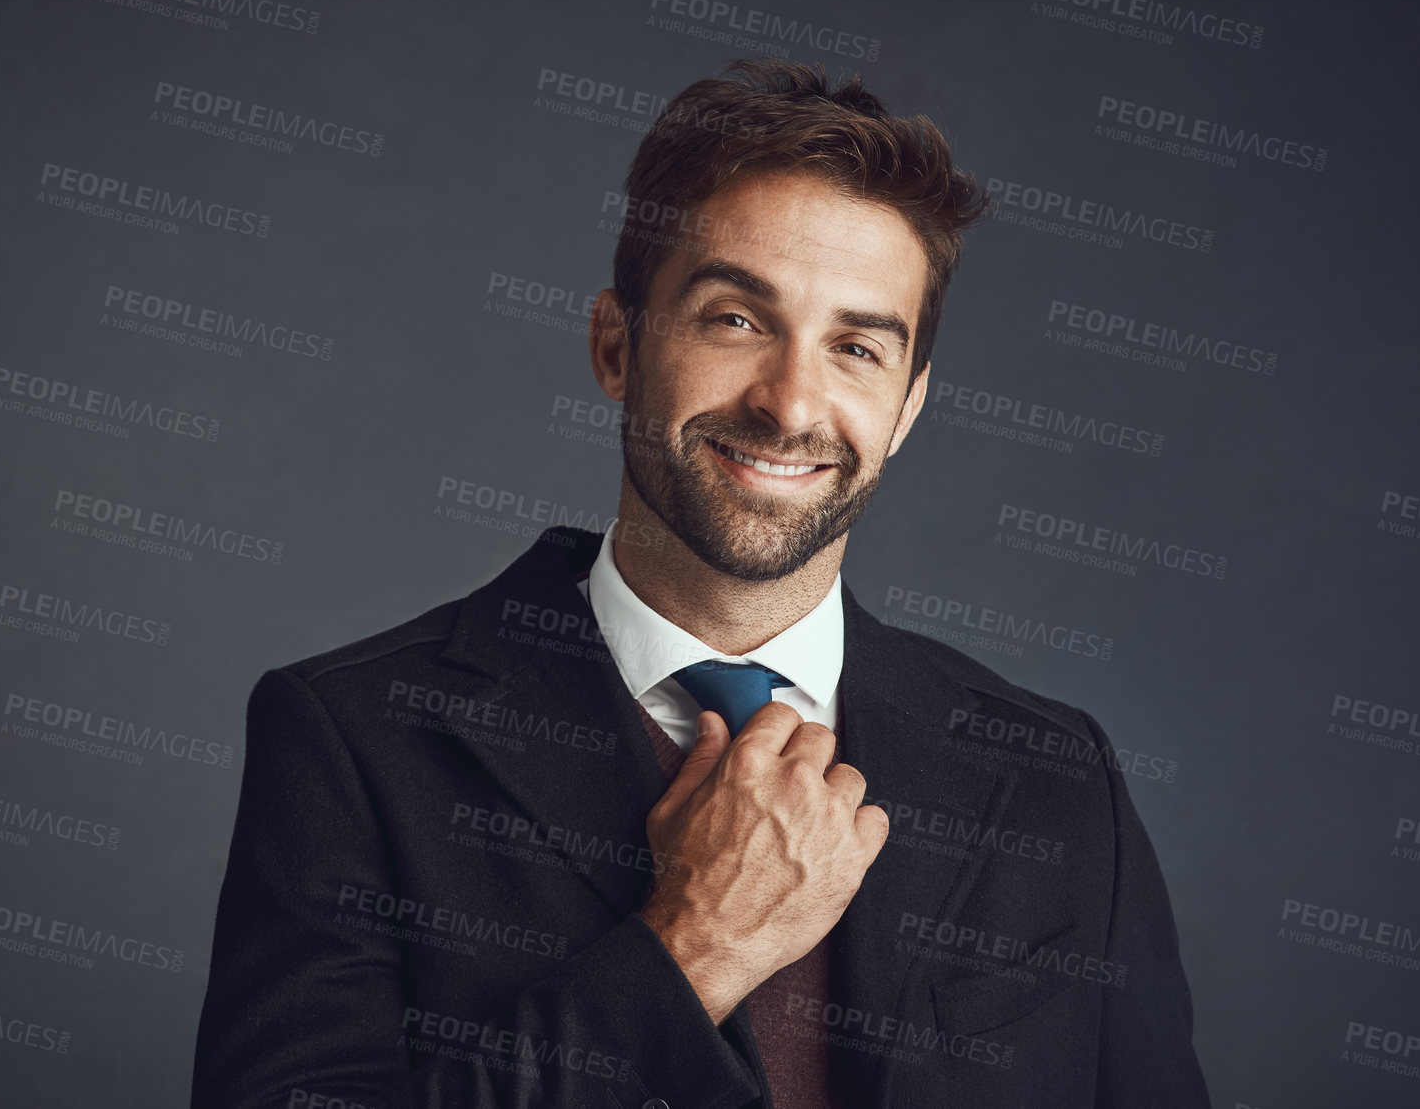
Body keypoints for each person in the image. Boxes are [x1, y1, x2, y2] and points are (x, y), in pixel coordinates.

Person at [190, 60, 1211, 1109]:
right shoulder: (354, 737)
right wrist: (691, 950)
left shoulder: (1053, 777)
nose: (791, 403)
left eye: (857, 347)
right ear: (617, 346)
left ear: (906, 410)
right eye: (736, 320)